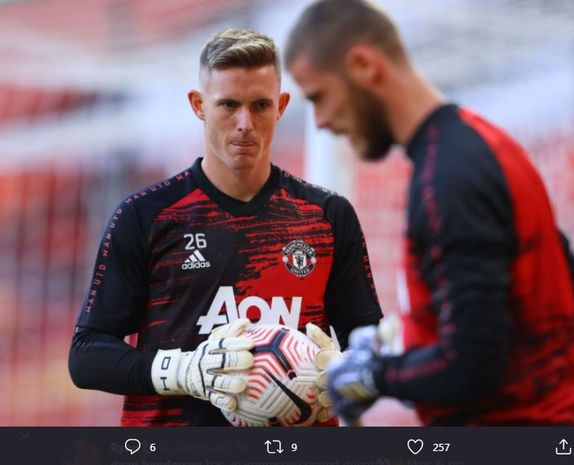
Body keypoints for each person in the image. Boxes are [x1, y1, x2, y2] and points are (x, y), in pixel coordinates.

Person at [285, 0, 574, 425]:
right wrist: (409, 344)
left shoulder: (447, 178)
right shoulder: (488, 145)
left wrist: (376, 375)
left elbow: (473, 363)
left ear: (364, 66)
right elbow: (561, 282)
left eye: (319, 97)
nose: (319, 122)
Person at [69, 28, 382, 426]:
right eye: (228, 105)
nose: (244, 123)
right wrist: (184, 371)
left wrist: (342, 376)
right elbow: (87, 356)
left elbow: (371, 348)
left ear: (282, 105)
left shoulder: (327, 215)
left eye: (260, 105)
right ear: (198, 105)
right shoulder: (147, 216)